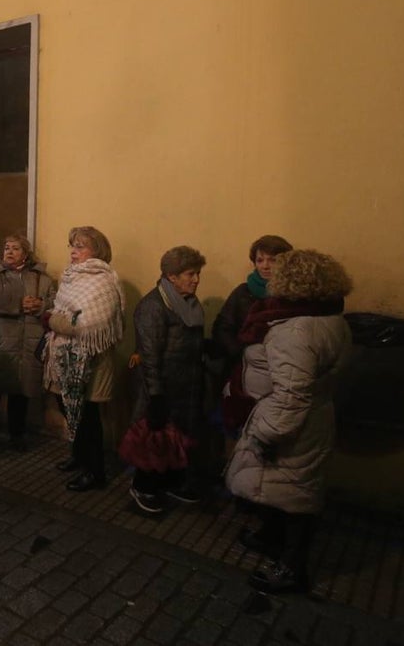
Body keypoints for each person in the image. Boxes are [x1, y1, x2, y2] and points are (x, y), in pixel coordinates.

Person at [225, 249, 352, 594]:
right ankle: (274, 540)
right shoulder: (330, 317)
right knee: (291, 488)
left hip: (292, 422)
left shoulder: (294, 330)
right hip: (314, 417)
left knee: (296, 495)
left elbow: (292, 393)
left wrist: (266, 434)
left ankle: (292, 569)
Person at [41, 227, 125, 492]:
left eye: (80, 246)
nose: (74, 251)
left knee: (88, 418)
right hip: (66, 360)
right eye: (72, 246)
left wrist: (51, 319)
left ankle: (94, 471)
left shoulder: (103, 280)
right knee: (71, 412)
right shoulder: (71, 277)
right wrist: (56, 318)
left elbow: (86, 325)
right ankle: (78, 457)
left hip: (93, 363)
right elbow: (65, 311)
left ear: (97, 251)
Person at [128, 245, 208, 514]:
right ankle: (143, 487)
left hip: (186, 385)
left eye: (197, 273)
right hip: (161, 388)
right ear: (171, 276)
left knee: (177, 439)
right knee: (154, 442)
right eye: (190, 274)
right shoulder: (153, 306)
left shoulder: (189, 304)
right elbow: (149, 355)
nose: (196, 279)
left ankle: (171, 482)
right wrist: (156, 396)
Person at [0, 234, 55, 452]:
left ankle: (17, 435)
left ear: (25, 254)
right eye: (6, 247)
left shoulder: (41, 278)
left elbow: (55, 302)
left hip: (25, 343)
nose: (9, 251)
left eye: (15, 248)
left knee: (20, 393)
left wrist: (40, 305)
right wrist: (17, 303)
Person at [212, 235, 294, 434]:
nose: (265, 266)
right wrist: (242, 353)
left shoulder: (292, 295)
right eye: (260, 260)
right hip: (243, 372)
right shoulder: (243, 293)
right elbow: (222, 328)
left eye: (272, 260)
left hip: (281, 373)